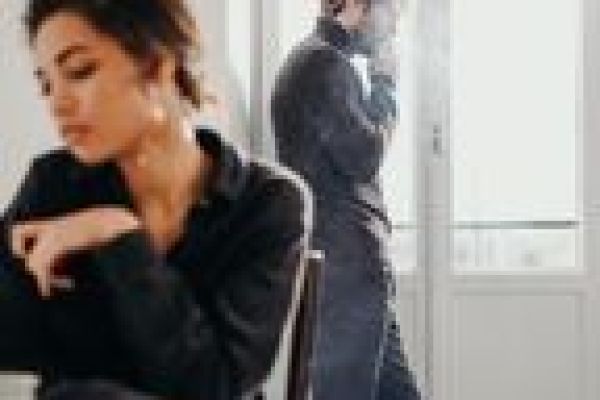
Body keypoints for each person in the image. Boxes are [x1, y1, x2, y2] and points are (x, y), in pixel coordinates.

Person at [0, 0, 311, 399]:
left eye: (79, 71)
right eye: (46, 84)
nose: (57, 104)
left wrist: (119, 237)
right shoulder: (55, 183)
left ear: (159, 66)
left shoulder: (268, 203)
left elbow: (214, 385)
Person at [270, 0, 420, 399]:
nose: (393, 29)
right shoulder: (324, 64)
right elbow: (365, 157)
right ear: (356, 4)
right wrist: (384, 86)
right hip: (348, 275)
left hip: (347, 272)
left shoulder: (313, 61)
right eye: (390, 14)